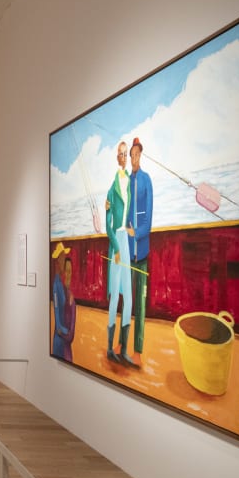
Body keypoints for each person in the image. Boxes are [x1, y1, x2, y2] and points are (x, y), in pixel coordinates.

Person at [105, 141, 135, 367]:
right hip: (117, 241)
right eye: (121, 154)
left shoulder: (130, 184)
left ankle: (124, 349)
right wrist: (115, 248)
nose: (124, 157)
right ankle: (109, 348)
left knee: (129, 297)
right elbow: (108, 226)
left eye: (126, 154)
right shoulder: (111, 190)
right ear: (117, 158)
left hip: (126, 240)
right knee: (115, 295)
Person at [127, 137, 153, 363]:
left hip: (142, 254)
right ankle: (122, 343)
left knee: (141, 305)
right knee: (127, 301)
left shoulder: (146, 180)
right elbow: (124, 214)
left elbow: (148, 221)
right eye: (131, 155)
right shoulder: (127, 182)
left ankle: (138, 351)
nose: (134, 158)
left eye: (137, 154)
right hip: (128, 254)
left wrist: (136, 233)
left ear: (140, 155)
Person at [51, 242, 71, 360]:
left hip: (63, 337)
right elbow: (56, 308)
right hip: (59, 338)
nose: (64, 261)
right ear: (58, 261)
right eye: (63, 258)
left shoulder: (61, 283)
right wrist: (62, 329)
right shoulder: (56, 284)